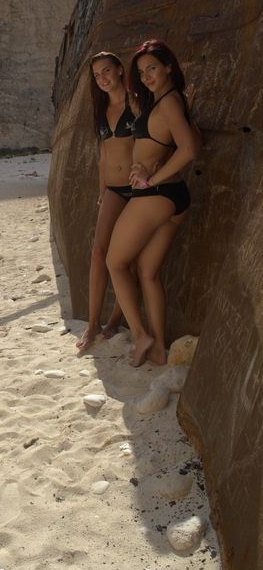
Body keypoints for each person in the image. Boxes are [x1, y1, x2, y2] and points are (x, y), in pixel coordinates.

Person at [106, 39, 200, 367]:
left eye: (152, 68)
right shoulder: (170, 100)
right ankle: (159, 348)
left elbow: (190, 150)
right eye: (142, 71)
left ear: (169, 67)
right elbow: (195, 139)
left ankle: (140, 334)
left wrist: (151, 178)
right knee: (147, 272)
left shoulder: (170, 102)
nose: (146, 76)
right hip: (173, 197)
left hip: (155, 195)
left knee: (115, 263)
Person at [76, 51, 135, 354]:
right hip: (113, 190)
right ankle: (92, 325)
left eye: (106, 71)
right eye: (97, 75)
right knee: (99, 252)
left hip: (137, 190)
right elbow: (103, 156)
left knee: (125, 259)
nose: (102, 78)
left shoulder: (137, 104)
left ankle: (114, 320)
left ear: (120, 70)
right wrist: (102, 191)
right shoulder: (101, 110)